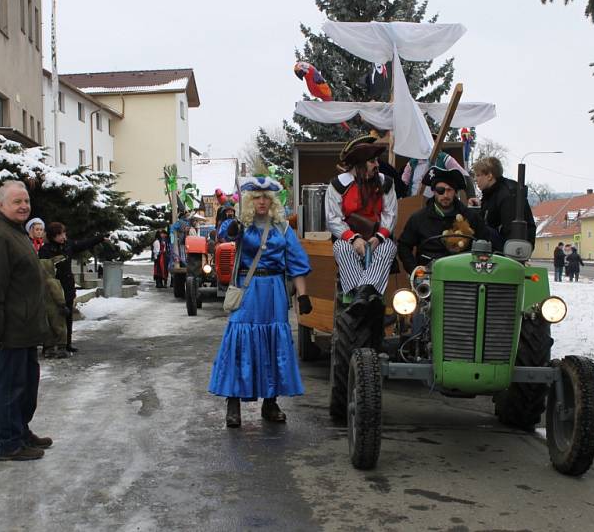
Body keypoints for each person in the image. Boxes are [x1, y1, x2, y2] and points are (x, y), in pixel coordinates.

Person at [208, 175, 312, 428]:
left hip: (275, 290)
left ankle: (270, 403)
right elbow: (225, 233)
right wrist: (232, 227)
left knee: (274, 344)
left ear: (273, 200)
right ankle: (233, 404)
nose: (262, 202)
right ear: (250, 201)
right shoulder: (243, 225)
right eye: (257, 197)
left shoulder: (283, 229)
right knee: (239, 341)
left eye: (266, 197)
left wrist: (303, 295)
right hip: (249, 288)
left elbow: (297, 265)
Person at [0, 181, 51, 461]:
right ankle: (8, 443)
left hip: (25, 327)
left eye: (26, 201)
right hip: (11, 330)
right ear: (0, 205)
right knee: (11, 387)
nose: (23, 206)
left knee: (26, 384)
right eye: (16, 202)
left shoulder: (13, 231)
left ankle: (20, 431)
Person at [325, 135, 397, 314]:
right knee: (342, 248)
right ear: (359, 163)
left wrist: (378, 238)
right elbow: (333, 219)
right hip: (348, 238)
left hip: (377, 237)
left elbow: (390, 214)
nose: (376, 165)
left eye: (376, 160)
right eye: (372, 161)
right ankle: (360, 294)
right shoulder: (338, 185)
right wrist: (353, 239)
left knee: (388, 248)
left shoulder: (385, 183)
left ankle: (363, 292)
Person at [398, 167, 487, 271]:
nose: (445, 195)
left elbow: (484, 244)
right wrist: (415, 270)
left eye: (449, 190)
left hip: (463, 273)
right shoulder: (418, 218)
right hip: (429, 275)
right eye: (441, 190)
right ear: (434, 191)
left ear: (455, 192)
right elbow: (404, 246)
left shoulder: (471, 217)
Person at [38, 222, 105, 353]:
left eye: (64, 233)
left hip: (67, 285)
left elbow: (83, 244)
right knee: (52, 316)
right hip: (53, 286)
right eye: (60, 234)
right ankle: (49, 345)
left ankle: (67, 343)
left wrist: (100, 238)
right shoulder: (45, 250)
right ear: (52, 236)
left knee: (67, 314)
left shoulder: (68, 246)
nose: (63, 236)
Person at [470, 156, 536, 251]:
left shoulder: (508, 196)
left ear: (489, 176)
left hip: (510, 250)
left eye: (478, 175)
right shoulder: (491, 194)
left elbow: (510, 232)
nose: (475, 180)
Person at [40, 256, 69, 358]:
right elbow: (57, 295)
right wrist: (63, 305)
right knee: (59, 328)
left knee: (48, 329)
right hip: (56, 309)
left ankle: (49, 349)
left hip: (44, 309)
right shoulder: (52, 281)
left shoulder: (39, 283)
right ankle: (62, 348)